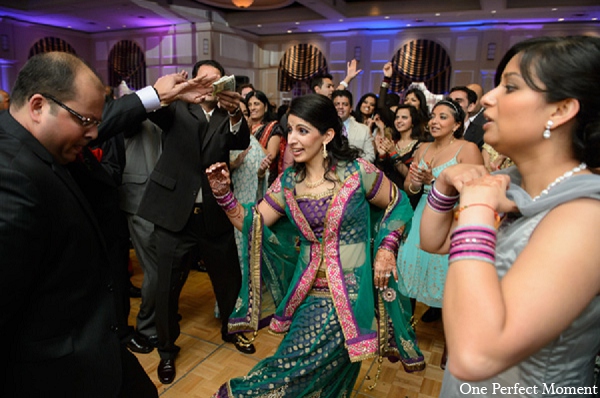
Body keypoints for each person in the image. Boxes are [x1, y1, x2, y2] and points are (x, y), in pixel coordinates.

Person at [0, 51, 211, 397]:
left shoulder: (41, 140)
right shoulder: (9, 176)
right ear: (38, 107)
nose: (95, 133)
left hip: (96, 342)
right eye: (86, 121)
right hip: (58, 366)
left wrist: (158, 95)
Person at [206, 93, 425, 397]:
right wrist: (224, 196)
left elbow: (398, 204)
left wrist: (387, 248)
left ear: (328, 135)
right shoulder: (287, 183)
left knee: (323, 372)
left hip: (351, 293)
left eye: (302, 131)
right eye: (290, 129)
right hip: (308, 291)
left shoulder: (357, 172)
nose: (292, 139)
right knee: (293, 367)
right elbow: (253, 223)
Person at [419, 35, 600, 397]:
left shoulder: (586, 214)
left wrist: (477, 206)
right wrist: (444, 185)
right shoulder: (514, 183)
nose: (487, 97)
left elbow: (475, 355)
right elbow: (433, 241)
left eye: (510, 87)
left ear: (561, 110)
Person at [136, 59, 253, 385]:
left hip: (214, 213)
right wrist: (169, 91)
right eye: (204, 80)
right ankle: (166, 351)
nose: (209, 87)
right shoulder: (176, 109)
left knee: (229, 278)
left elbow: (241, 141)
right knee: (166, 288)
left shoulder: (225, 115)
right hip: (175, 214)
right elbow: (148, 108)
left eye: (216, 81)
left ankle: (232, 330)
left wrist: (234, 113)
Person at [397, 98, 482, 332]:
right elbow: (409, 188)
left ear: (456, 125)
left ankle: (451, 343)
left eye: (443, 117)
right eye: (433, 116)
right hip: (422, 214)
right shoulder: (423, 148)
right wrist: (415, 182)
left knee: (446, 276)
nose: (434, 121)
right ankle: (405, 336)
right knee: (408, 266)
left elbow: (475, 192)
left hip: (451, 216)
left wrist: (435, 182)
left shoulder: (468, 149)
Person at [374, 104, 427, 209]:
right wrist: (381, 155)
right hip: (387, 197)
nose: (399, 121)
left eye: (404, 117)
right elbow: (379, 173)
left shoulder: (420, 146)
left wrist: (394, 154)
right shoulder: (392, 142)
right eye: (397, 117)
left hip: (407, 200)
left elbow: (411, 176)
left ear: (413, 122)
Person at [245, 90, 284, 185]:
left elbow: (270, 156)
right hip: (244, 179)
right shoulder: (242, 127)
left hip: (265, 181)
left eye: (256, 104)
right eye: (249, 105)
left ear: (265, 107)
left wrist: (250, 136)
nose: (252, 108)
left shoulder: (273, 127)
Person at [332, 89, 375, 162]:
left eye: (345, 104)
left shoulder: (364, 130)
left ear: (351, 108)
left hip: (355, 170)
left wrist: (352, 166)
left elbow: (371, 156)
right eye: (337, 104)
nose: (340, 107)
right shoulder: (324, 127)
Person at [448, 85, 485, 150]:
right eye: (450, 101)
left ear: (471, 107)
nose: (452, 104)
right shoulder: (437, 131)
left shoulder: (481, 134)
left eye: (458, 101)